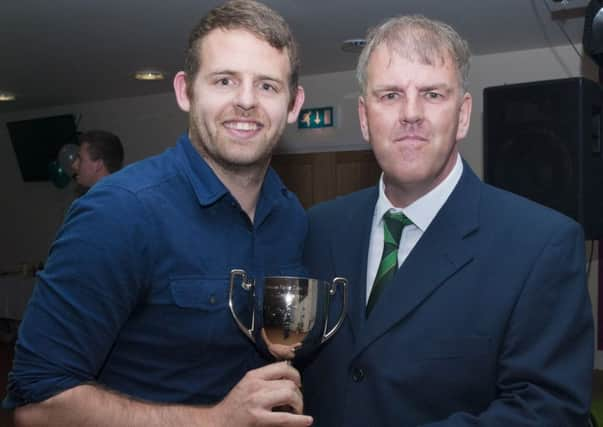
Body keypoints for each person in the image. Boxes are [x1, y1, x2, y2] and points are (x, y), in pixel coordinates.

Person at [5, 1, 313, 426]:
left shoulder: (290, 214)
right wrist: (216, 420)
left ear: (293, 104)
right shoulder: (120, 211)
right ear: (185, 91)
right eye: (224, 80)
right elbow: (36, 407)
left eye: (267, 86)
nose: (246, 101)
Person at [301, 14, 594, 426]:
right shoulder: (319, 228)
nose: (411, 113)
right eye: (389, 95)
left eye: (433, 94)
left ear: (462, 115)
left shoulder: (542, 244)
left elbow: (549, 410)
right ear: (365, 119)